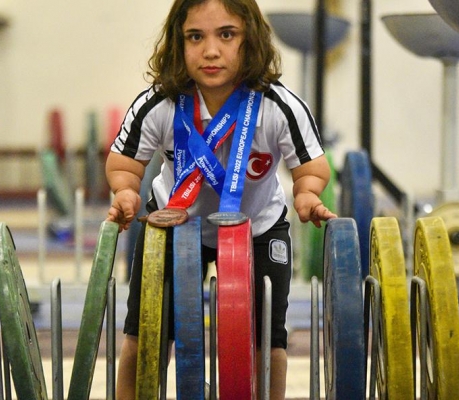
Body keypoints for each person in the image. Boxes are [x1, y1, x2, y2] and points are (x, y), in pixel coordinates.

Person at [105, 0, 336, 398]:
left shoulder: (279, 106)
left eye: (226, 35)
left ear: (252, 41)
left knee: (269, 340)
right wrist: (126, 191)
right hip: (174, 225)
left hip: (257, 227)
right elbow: (124, 163)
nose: (210, 51)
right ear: (179, 44)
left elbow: (311, 168)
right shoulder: (159, 102)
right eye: (196, 37)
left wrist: (307, 196)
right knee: (143, 334)